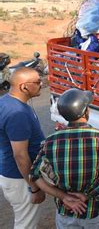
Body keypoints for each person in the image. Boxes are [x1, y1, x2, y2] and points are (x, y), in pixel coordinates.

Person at [30, 88, 99, 229]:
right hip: (97, 211)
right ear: (86, 111)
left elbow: (34, 175)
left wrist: (63, 197)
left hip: (66, 211)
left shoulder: (50, 141)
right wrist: (87, 195)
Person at [0, 67, 45, 228]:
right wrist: (33, 187)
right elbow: (20, 155)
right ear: (24, 86)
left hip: (14, 175)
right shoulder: (17, 113)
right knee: (25, 224)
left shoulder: (6, 101)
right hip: (20, 179)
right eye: (37, 82)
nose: (42, 83)